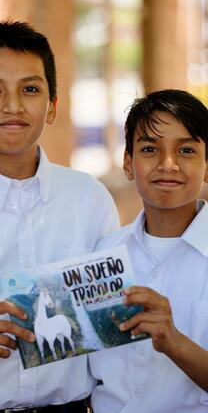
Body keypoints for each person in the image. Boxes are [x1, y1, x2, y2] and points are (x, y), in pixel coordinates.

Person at [0, 22, 120, 411]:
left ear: (53, 105)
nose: (13, 105)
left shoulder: (89, 199)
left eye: (30, 89)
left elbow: (108, 321)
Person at [88, 89, 208, 413]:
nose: (168, 164)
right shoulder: (104, 255)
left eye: (186, 150)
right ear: (128, 164)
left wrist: (175, 342)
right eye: (149, 148)